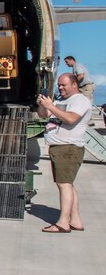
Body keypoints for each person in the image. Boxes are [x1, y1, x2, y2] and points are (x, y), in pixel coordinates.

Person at [37, 72, 93, 233]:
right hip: (60, 147)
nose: (60, 87)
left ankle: (63, 222)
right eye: (59, 85)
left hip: (68, 148)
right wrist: (43, 105)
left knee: (64, 185)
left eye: (64, 85)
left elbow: (70, 119)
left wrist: (51, 106)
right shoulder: (62, 100)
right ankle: (75, 220)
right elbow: (44, 115)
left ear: (74, 85)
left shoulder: (80, 101)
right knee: (67, 184)